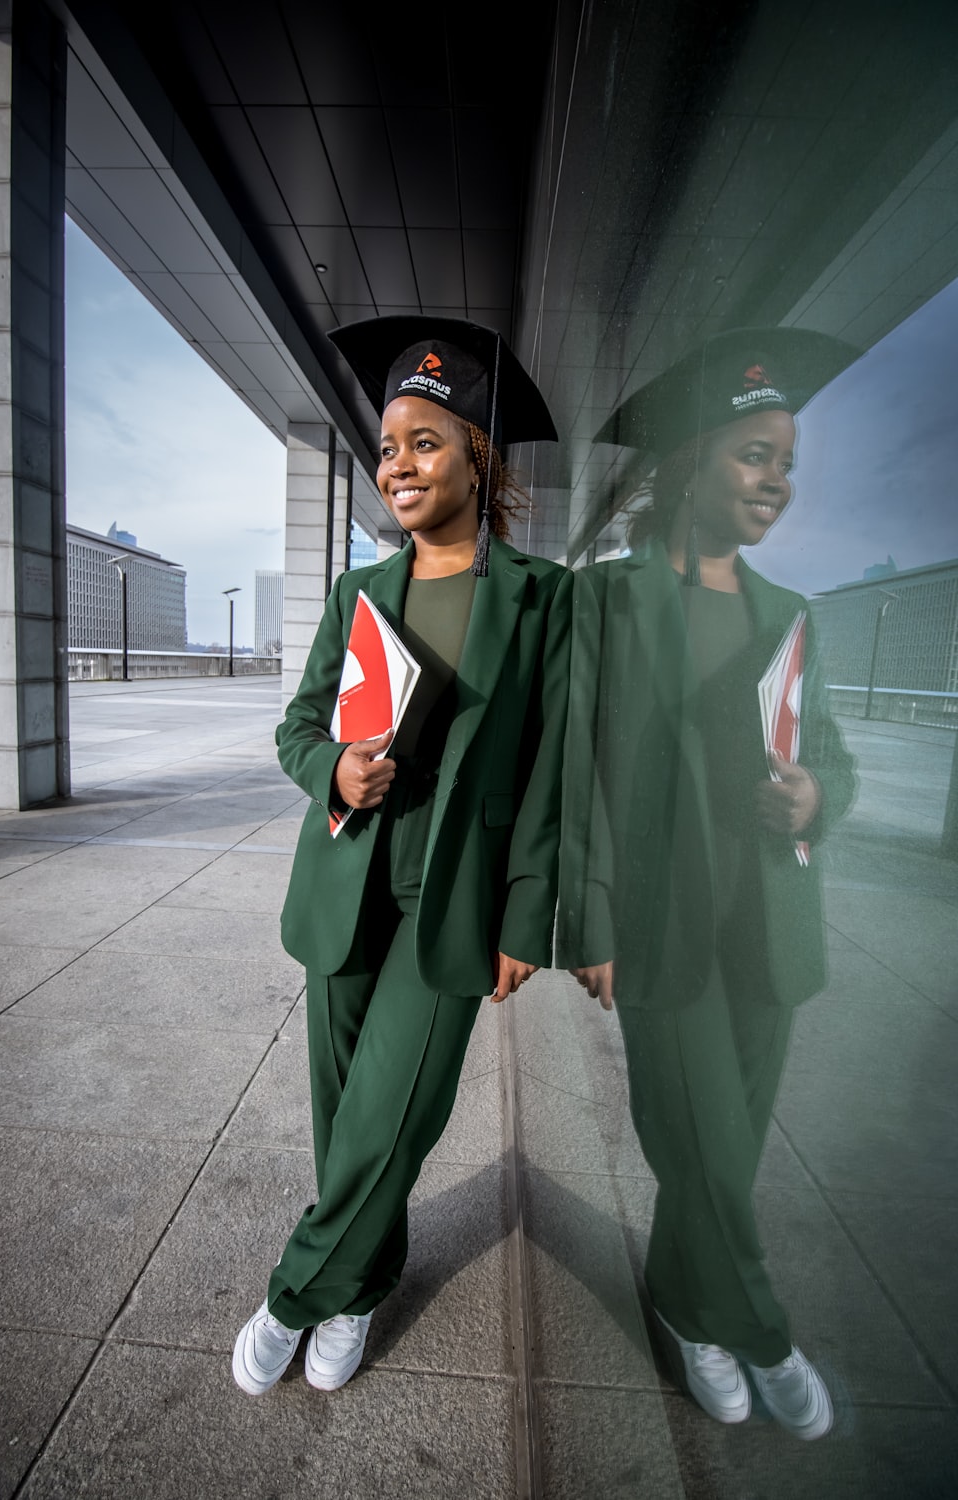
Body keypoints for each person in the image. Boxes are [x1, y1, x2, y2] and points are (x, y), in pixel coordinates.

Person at [232, 316, 571, 1395]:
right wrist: (331, 768)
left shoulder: (542, 600)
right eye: (387, 447)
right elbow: (294, 728)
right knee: (345, 1118)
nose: (399, 465)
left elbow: (555, 770)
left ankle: (296, 1293)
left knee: (393, 1118)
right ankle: (366, 1281)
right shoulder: (355, 595)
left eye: (426, 441)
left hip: (452, 899)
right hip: (345, 879)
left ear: (479, 454)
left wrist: (529, 918)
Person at [558, 329, 858, 1440]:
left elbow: (831, 752)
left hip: (769, 933)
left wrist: (817, 798)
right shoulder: (607, 602)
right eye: (753, 454)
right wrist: (585, 917)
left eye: (786, 460)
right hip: (659, 932)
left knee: (719, 1149)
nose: (777, 480)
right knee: (707, 1147)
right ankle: (763, 1328)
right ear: (689, 464)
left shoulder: (792, 616)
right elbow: (574, 776)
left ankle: (688, 1308)